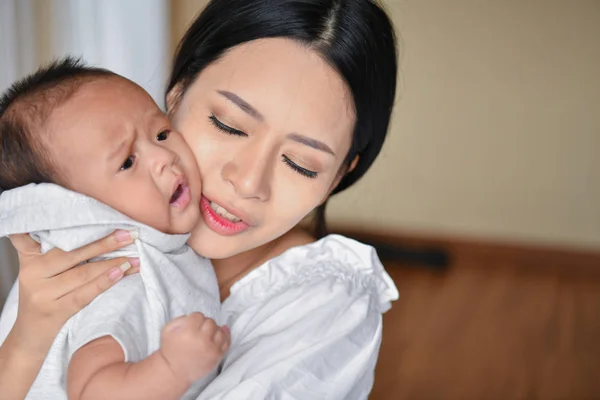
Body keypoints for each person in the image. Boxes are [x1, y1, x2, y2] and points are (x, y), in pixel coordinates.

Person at [0, 0, 399, 398]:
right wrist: (25, 343)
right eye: (227, 124)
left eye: (300, 164)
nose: (247, 182)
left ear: (338, 177)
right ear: (176, 94)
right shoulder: (91, 233)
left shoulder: (325, 307)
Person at [0, 59, 227, 399]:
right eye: (126, 162)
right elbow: (91, 390)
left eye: (162, 133)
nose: (163, 157)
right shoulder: (120, 277)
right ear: (74, 207)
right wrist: (172, 368)